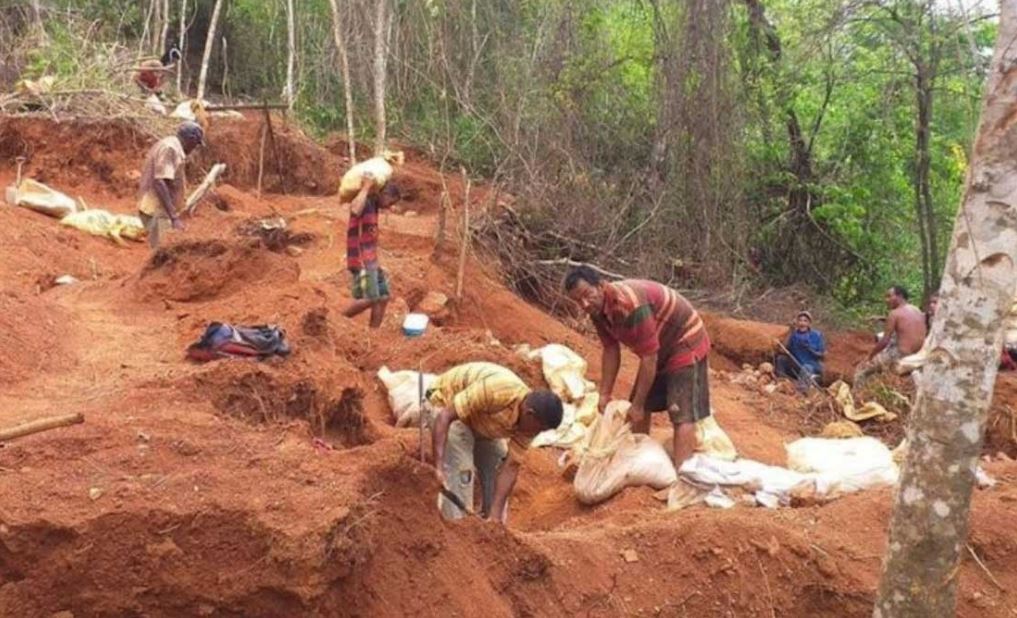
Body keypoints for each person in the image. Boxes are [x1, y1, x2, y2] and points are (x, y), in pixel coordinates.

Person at [564, 265, 711, 468]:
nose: (585, 304)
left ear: (600, 285)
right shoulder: (597, 310)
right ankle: (640, 461)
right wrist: (605, 393)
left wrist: (639, 405)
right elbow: (610, 350)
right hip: (659, 344)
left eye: (587, 294)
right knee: (638, 404)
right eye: (578, 301)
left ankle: (683, 475)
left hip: (685, 340)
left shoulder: (629, 307)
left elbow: (649, 358)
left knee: (681, 411)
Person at [427, 362, 563, 523]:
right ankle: (458, 529)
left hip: (480, 421)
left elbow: (511, 466)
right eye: (540, 429)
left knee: (498, 462)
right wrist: (438, 468)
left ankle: (490, 528)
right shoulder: (498, 391)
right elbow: (445, 416)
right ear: (529, 414)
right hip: (445, 405)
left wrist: (496, 515)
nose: (538, 433)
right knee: (462, 468)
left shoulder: (530, 423)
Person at [342, 176, 401, 328]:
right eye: (390, 201)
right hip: (360, 258)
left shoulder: (374, 204)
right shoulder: (365, 200)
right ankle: (337, 319)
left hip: (371, 259)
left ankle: (373, 336)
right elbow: (354, 210)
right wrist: (366, 187)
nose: (389, 206)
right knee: (371, 298)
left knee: (384, 297)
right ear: (384, 194)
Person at [137, 121, 204, 250]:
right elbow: (159, 182)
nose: (194, 148)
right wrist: (174, 217)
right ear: (190, 140)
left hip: (160, 211)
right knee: (161, 253)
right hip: (156, 211)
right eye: (195, 144)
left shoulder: (173, 146)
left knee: (161, 252)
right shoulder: (170, 149)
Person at [854, 285, 927, 389]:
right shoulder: (917, 311)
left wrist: (870, 356)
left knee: (862, 369)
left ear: (899, 296)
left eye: (889, 296)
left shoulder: (894, 314)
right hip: (918, 353)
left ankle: (857, 396)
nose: (886, 300)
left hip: (900, 354)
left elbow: (884, 341)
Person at [775, 311, 826, 390]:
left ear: (809, 323)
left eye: (805, 321)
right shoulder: (794, 335)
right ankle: (782, 382)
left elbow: (822, 356)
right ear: (797, 323)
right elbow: (782, 349)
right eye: (800, 320)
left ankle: (802, 389)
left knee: (806, 368)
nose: (802, 323)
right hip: (797, 365)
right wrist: (790, 331)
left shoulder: (816, 335)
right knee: (781, 359)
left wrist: (810, 349)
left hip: (811, 367)